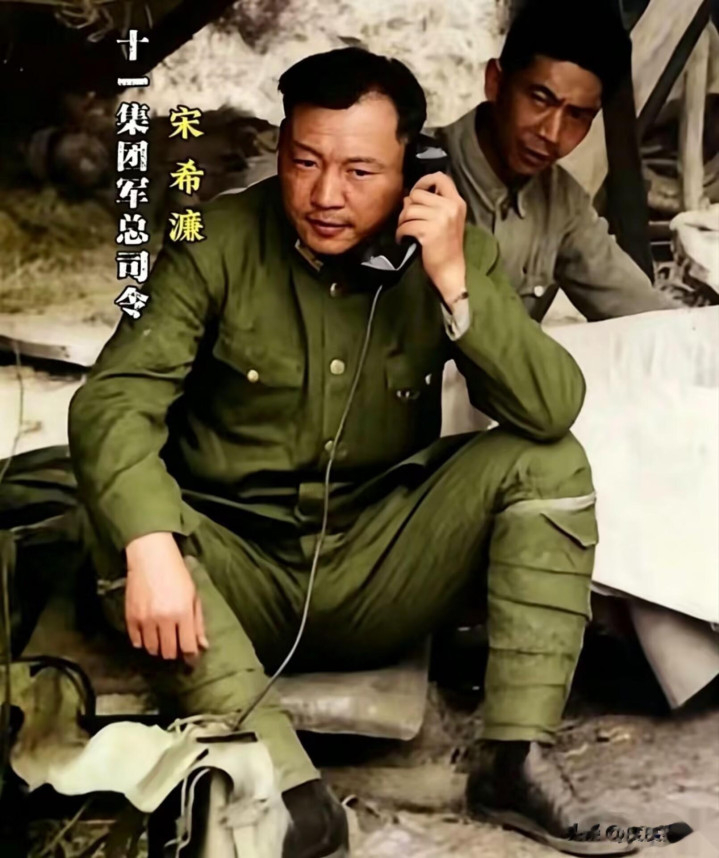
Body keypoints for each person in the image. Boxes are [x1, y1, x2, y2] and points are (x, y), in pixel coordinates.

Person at [8, 48, 635, 857]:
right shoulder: (216, 242)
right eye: (304, 161)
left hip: (380, 570)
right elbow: (112, 402)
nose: (326, 194)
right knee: (123, 517)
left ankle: (513, 763)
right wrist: (152, 544)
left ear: (414, 169)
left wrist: (454, 281)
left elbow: (550, 408)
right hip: (231, 581)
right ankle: (286, 792)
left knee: (548, 462)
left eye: (360, 171)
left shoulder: (451, 252)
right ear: (281, 150)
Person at [436, 0, 681, 322]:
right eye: (540, 99)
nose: (551, 133)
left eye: (576, 115)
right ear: (495, 82)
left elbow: (644, 313)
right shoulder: (410, 170)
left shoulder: (562, 204)